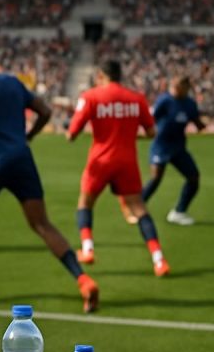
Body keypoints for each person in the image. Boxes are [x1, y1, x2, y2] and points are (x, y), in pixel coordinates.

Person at [0, 41, 98, 313]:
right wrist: (29, 136)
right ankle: (83, 280)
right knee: (42, 224)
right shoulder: (12, 82)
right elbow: (45, 111)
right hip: (22, 158)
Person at [67, 60, 170, 276]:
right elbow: (152, 133)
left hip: (100, 160)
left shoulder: (91, 97)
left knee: (85, 202)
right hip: (127, 160)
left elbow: (72, 134)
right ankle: (159, 260)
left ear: (102, 75)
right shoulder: (136, 98)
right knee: (139, 208)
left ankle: (87, 249)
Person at [141, 75, 206, 225]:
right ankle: (138, 205)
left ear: (186, 88)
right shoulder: (164, 101)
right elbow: (151, 119)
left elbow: (197, 122)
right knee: (156, 177)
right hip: (161, 145)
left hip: (178, 148)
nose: (173, 89)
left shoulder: (190, 104)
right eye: (173, 86)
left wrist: (202, 125)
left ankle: (179, 211)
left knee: (194, 177)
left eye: (177, 87)